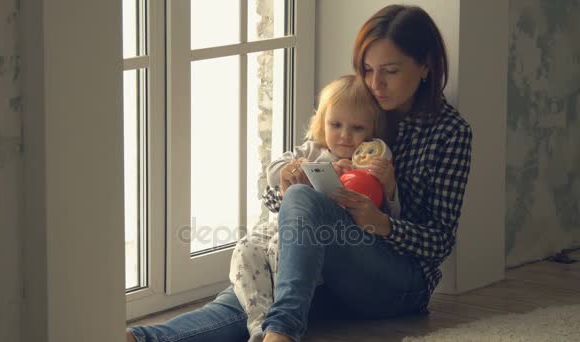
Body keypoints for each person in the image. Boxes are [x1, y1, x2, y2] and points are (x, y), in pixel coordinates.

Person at [127, 4, 472, 342]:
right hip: (329, 273)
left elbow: (440, 240)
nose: (375, 83)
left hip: (397, 285)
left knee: (285, 280)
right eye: (367, 70)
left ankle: (282, 334)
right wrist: (290, 181)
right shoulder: (356, 109)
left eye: (390, 71)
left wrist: (381, 223)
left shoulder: (450, 133)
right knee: (255, 295)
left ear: (425, 65)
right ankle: (143, 338)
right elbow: (290, 199)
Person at [230, 75, 399, 342]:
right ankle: (259, 326)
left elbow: (388, 216)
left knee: (278, 254)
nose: (344, 135)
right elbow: (273, 173)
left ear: (372, 133)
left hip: (318, 246)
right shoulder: (312, 151)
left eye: (357, 128)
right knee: (245, 249)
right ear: (322, 123)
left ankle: (277, 328)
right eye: (335, 124)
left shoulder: (367, 167)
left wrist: (387, 186)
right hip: (280, 229)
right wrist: (296, 170)